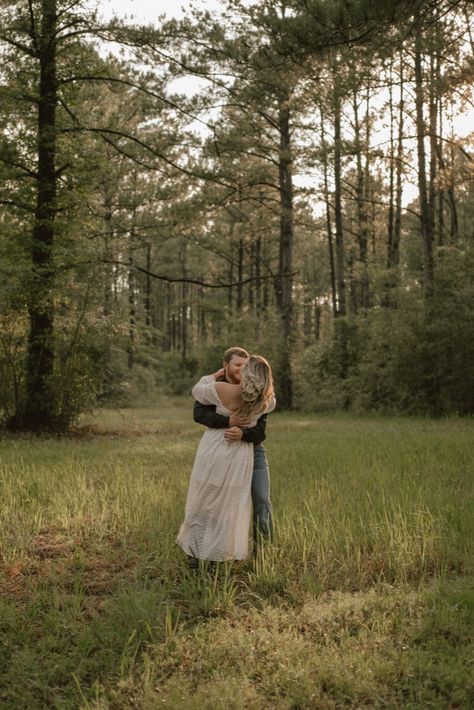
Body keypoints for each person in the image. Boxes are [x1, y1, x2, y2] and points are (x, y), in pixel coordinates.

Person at [177, 355, 275, 563]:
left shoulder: (228, 391)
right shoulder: (261, 398)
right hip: (225, 450)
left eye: (244, 365)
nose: (240, 368)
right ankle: (203, 552)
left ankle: (261, 554)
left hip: (246, 451)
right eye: (237, 364)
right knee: (216, 502)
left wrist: (242, 434)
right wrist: (228, 420)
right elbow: (199, 414)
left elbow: (260, 432)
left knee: (242, 502)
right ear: (226, 366)